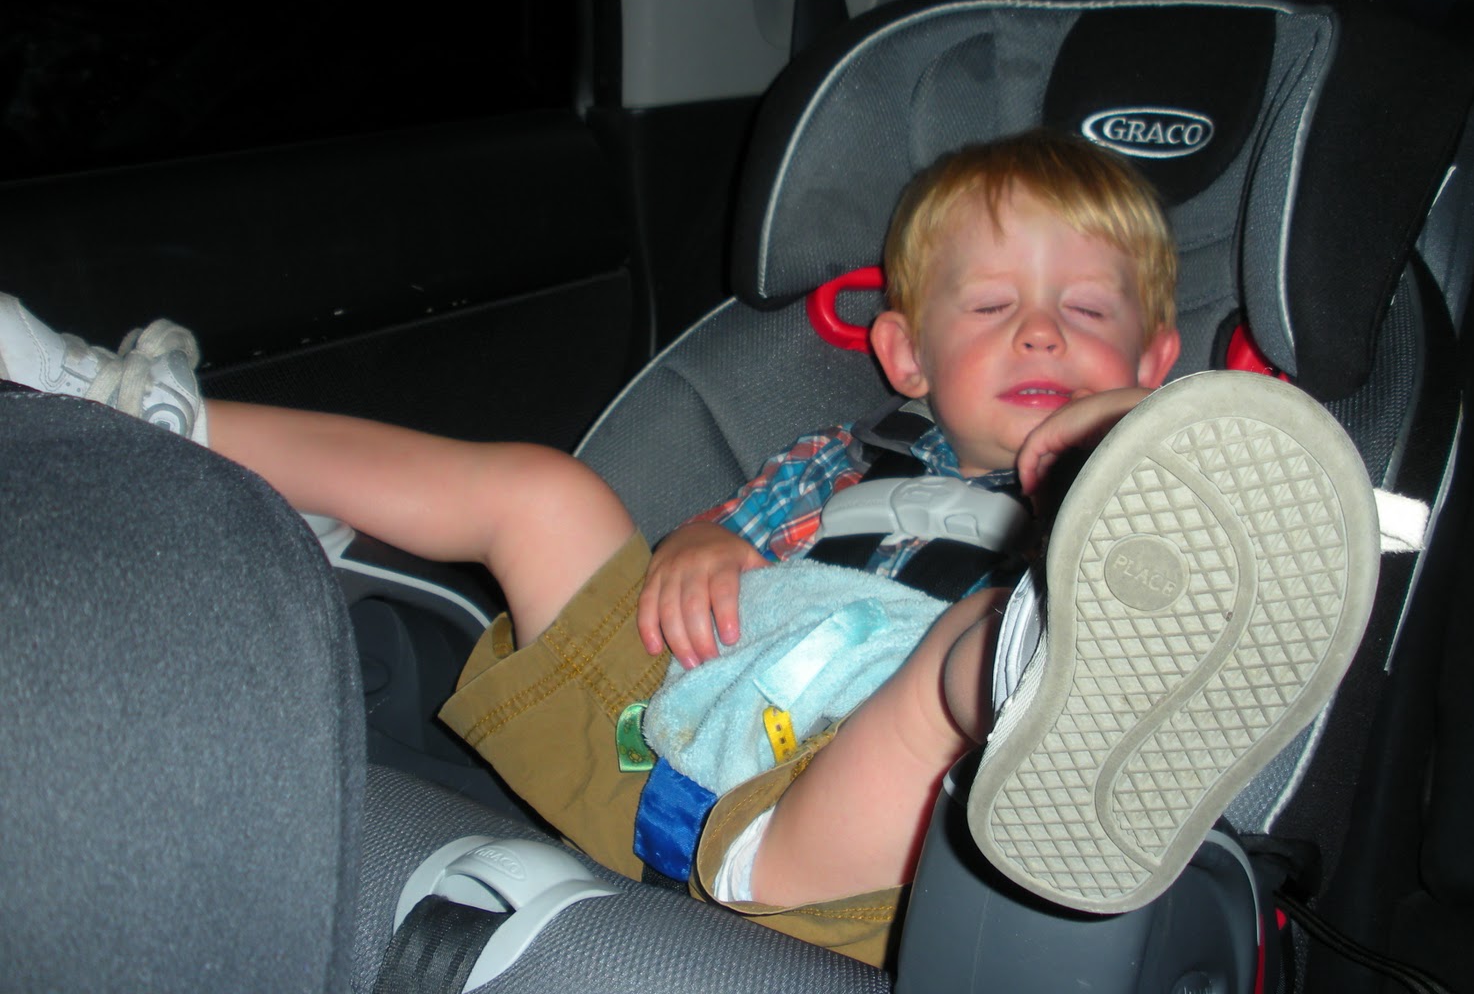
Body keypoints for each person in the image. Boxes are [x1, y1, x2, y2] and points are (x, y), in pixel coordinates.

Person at [0, 128, 1376, 967]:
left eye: (1084, 313)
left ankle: (1038, 685)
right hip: (656, 741)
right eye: (991, 307)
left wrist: (1127, 449)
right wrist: (707, 542)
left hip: (866, 845)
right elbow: (727, 538)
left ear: (1153, 361)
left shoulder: (1122, 519)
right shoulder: (840, 462)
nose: (1037, 332)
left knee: (986, 652)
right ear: (905, 356)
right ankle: (144, 416)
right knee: (539, 494)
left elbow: (1171, 518)